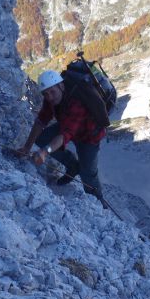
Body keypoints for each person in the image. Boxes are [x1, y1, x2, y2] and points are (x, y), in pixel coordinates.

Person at [17, 69, 107, 206]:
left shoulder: (77, 103)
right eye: (46, 94)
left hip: (89, 136)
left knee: (88, 173)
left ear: (61, 86)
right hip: (69, 125)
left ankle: (99, 204)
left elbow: (65, 135)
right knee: (42, 139)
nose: (50, 97)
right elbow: (41, 120)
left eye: (52, 92)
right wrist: (27, 147)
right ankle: (72, 166)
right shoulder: (51, 99)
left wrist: (45, 152)